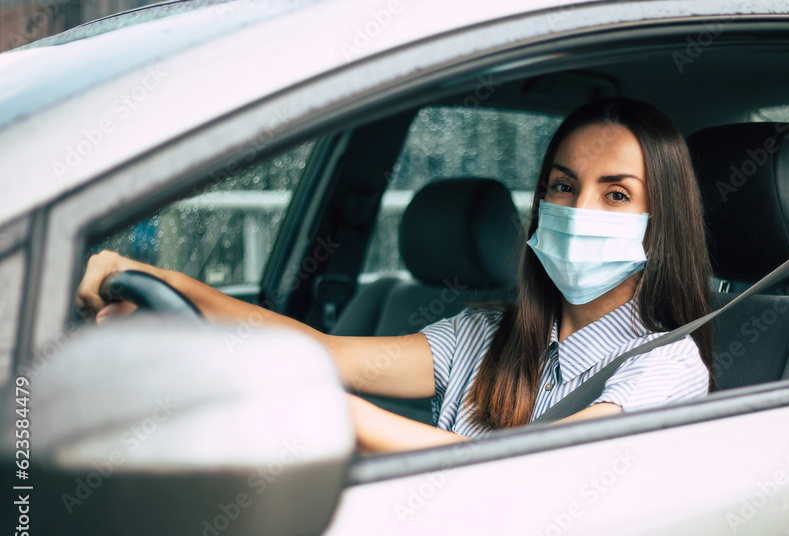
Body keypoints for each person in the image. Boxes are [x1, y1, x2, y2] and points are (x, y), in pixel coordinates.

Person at [76, 98, 714, 453]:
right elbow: (320, 353)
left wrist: (313, 407)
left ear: (664, 223)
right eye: (563, 186)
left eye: (617, 195)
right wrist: (160, 284)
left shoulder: (668, 364)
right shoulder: (483, 335)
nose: (578, 212)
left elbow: (519, 473)